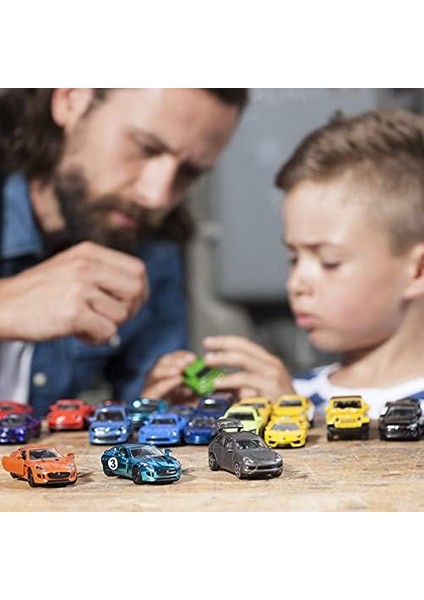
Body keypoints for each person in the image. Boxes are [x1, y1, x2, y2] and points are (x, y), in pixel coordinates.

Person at [143, 107, 424, 419]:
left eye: (329, 262)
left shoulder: (291, 402)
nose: (296, 284)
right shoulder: (288, 392)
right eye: (293, 258)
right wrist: (176, 417)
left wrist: (295, 420)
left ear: (418, 270)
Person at [0, 88, 248, 416]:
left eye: (189, 172)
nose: (156, 197)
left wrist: (165, 404)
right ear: (72, 100)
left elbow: (145, 406)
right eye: (146, 147)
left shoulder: (152, 244)